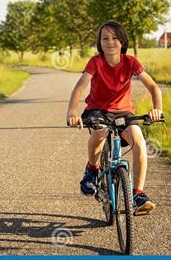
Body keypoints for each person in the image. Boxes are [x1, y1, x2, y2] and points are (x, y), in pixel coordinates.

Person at [66, 20, 163, 214]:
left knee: (139, 142)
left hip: (124, 112)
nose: (110, 42)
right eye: (105, 38)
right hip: (97, 110)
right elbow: (80, 87)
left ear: (123, 42)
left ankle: (137, 194)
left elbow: (153, 87)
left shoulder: (131, 62)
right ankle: (92, 170)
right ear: (99, 42)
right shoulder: (96, 62)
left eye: (115, 38)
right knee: (99, 132)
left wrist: (157, 109)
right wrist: (72, 112)